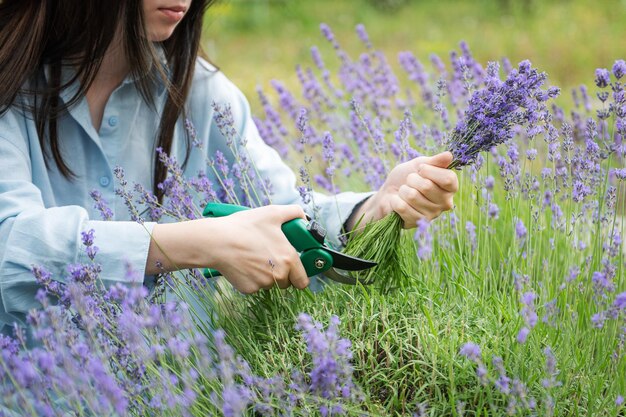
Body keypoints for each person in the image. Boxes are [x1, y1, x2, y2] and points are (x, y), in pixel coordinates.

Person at [0, 0, 458, 341]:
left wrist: (375, 208)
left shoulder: (200, 91)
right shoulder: (9, 84)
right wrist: (196, 244)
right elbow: (10, 243)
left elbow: (282, 214)